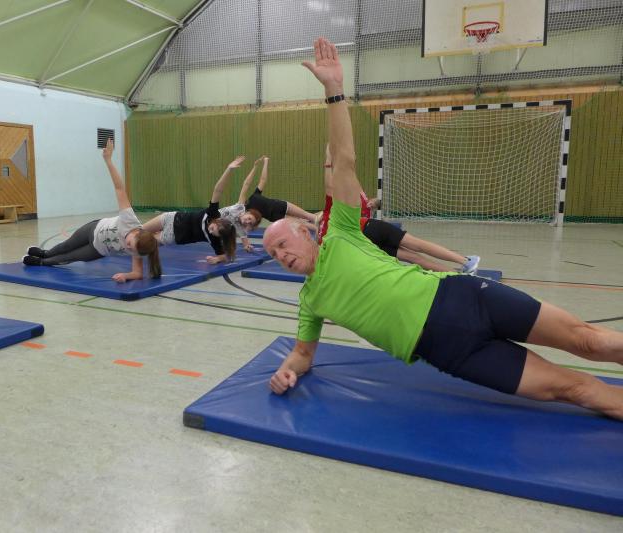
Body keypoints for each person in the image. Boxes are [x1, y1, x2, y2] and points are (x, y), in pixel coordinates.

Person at [264, 38, 623, 420]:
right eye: (272, 253)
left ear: (305, 232)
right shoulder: (310, 301)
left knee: (588, 340)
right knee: (573, 389)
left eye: (282, 243)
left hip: (465, 297)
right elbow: (303, 354)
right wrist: (287, 371)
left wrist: (334, 90)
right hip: (451, 350)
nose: (280, 255)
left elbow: (344, 161)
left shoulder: (341, 231)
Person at [318, 144, 480, 274]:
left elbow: (333, 191)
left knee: (414, 258)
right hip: (370, 229)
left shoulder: (324, 240)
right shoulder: (332, 215)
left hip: (367, 243)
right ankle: (465, 261)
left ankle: (457, 275)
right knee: (417, 245)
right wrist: (329, 160)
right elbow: (333, 186)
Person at [23, 139, 161, 282]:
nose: (128, 248)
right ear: (136, 233)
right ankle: (45, 253)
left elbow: (137, 273)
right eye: (130, 244)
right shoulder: (129, 220)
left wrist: (126, 276)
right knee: (66, 245)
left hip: (96, 250)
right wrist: (108, 160)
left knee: (69, 257)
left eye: (131, 250)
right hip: (93, 228)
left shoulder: (138, 249)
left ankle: (42, 262)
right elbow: (119, 188)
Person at [141, 157, 241, 264]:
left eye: (213, 233)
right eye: (212, 228)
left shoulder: (214, 239)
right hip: (171, 218)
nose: (210, 231)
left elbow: (228, 256)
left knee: (141, 242)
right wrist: (229, 169)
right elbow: (218, 190)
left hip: (172, 236)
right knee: (138, 231)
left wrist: (218, 259)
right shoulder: (213, 213)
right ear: (218, 222)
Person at [243, 155, 318, 226]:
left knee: (306, 216)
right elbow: (248, 184)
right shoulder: (246, 212)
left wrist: (265, 162)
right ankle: (320, 227)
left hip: (279, 206)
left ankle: (320, 222)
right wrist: (262, 163)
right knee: (304, 222)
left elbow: (263, 180)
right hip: (276, 216)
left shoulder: (254, 195)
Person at [219, 157, 265, 252]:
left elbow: (245, 242)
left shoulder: (240, 228)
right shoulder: (240, 207)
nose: (247, 221)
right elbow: (246, 184)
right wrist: (255, 167)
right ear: (247, 212)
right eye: (249, 218)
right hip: (208, 215)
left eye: (250, 223)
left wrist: (248, 247)